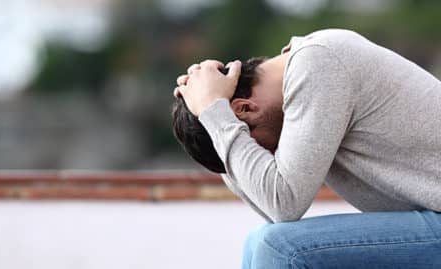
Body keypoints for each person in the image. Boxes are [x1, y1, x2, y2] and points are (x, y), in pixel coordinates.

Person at [172, 29, 441, 268]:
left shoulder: (318, 65)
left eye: (257, 149)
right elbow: (271, 211)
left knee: (278, 247)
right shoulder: (308, 71)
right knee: (258, 241)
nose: (266, 161)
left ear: (243, 109)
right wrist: (211, 112)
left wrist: (215, 112)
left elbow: (282, 203)